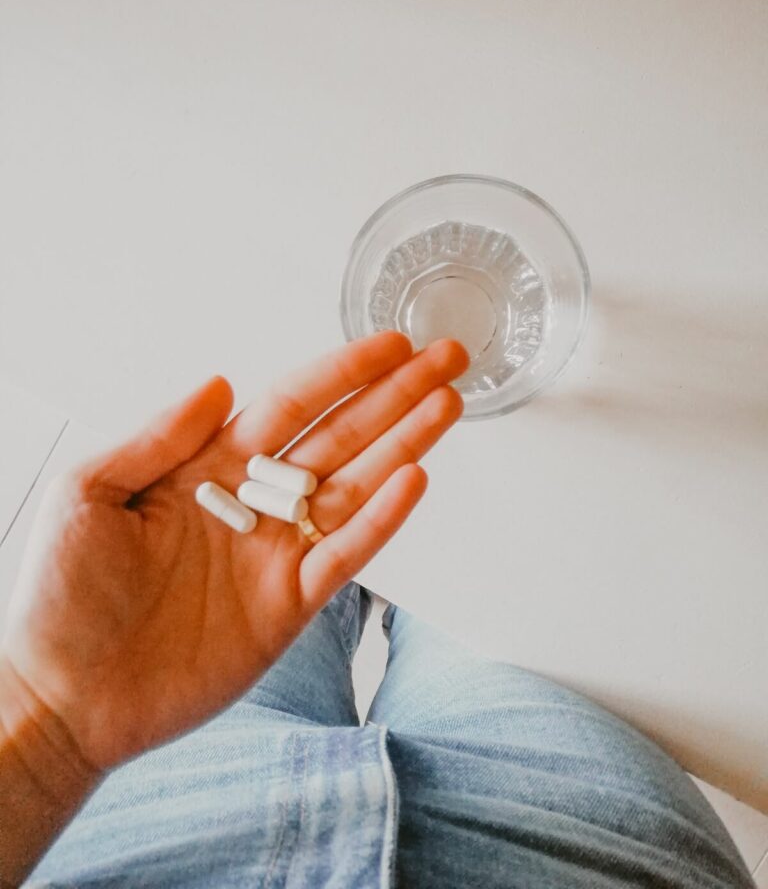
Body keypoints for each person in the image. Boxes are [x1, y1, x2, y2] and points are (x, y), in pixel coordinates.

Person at [0, 332, 754, 888]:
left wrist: (47, 728)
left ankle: (377, 568)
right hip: (568, 844)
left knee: (304, 552)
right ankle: (407, 561)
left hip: (146, 813)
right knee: (484, 577)